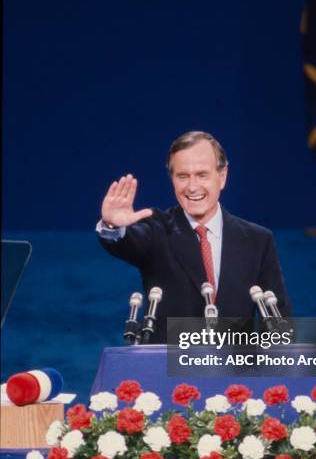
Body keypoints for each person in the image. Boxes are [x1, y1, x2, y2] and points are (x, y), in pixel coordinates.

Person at [97, 131, 291, 343]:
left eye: (202, 175)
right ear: (172, 179)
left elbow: (278, 320)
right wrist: (113, 225)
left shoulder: (257, 240)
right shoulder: (157, 228)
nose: (192, 187)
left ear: (222, 176)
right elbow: (128, 242)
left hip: (235, 370)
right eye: (183, 176)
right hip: (168, 368)